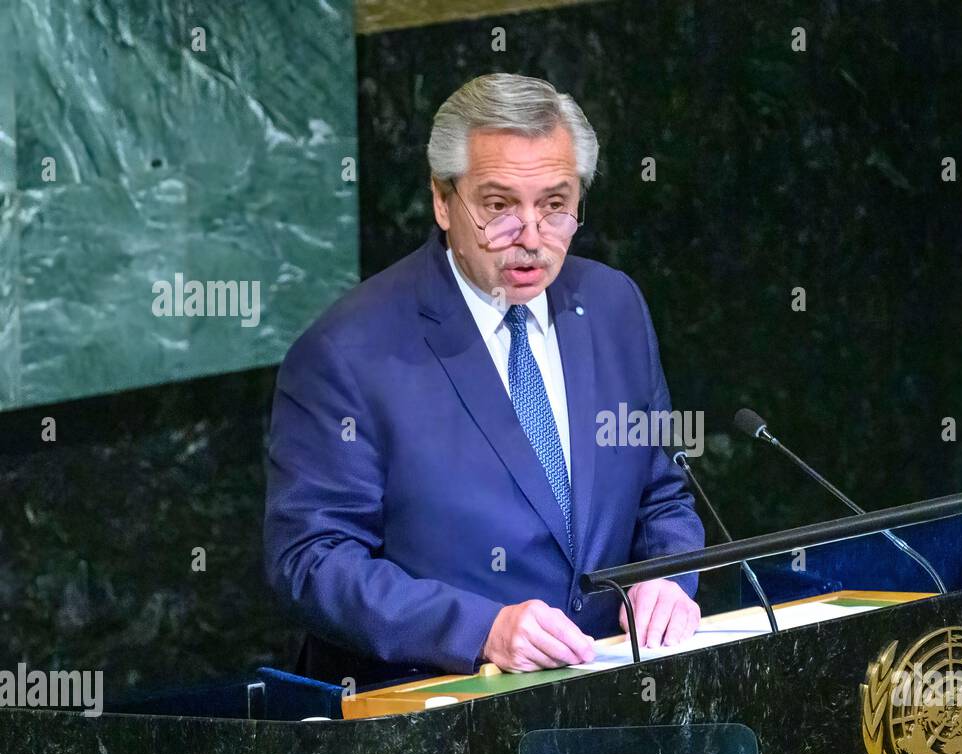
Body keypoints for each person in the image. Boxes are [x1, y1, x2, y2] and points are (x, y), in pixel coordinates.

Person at [264, 73, 704, 684]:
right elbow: (311, 562)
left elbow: (662, 495)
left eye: (555, 205)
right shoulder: (347, 352)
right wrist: (480, 630)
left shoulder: (613, 306)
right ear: (444, 201)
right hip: (435, 724)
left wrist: (668, 577)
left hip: (614, 695)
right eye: (498, 206)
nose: (530, 237)